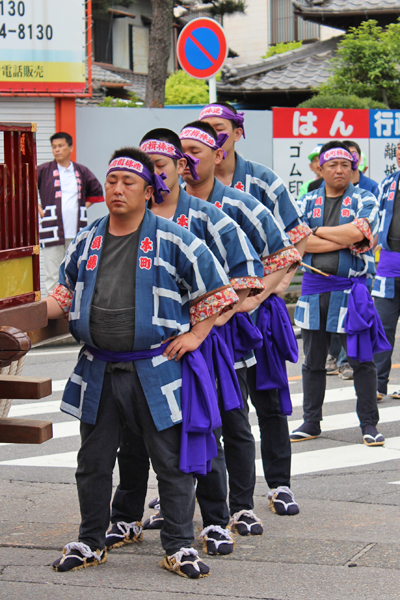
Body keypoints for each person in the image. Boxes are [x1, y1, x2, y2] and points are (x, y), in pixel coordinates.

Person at [46, 147, 240, 579]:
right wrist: (25, 316)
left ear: (149, 191)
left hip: (156, 368)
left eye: (128, 182)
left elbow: (221, 293)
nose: (117, 189)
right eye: (112, 181)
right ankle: (91, 540)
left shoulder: (173, 238)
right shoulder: (88, 237)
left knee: (170, 463)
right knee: (92, 462)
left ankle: (178, 546)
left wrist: (195, 335)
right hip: (98, 367)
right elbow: (62, 292)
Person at [106, 128, 266, 557]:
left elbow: (247, 275)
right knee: (133, 437)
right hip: (140, 352)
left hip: (196, 348)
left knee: (204, 429)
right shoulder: (130, 219)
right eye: (148, 167)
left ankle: (217, 519)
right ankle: (126, 517)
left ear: (180, 166)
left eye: (162, 165)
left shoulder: (210, 216)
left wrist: (206, 326)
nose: (154, 174)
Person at [179, 119, 303, 526]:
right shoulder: (166, 206)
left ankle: (247, 502)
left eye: (196, 150)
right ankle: (177, 502)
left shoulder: (248, 197)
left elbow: (287, 249)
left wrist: (257, 297)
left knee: (243, 413)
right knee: (186, 419)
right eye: (181, 153)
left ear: (223, 148)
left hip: (238, 325)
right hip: (185, 332)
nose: (185, 161)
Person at [291, 141, 390, 447]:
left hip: (351, 291)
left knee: (361, 359)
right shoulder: (305, 201)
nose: (339, 170)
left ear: (353, 168)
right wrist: (340, 236)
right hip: (314, 290)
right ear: (320, 168)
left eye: (345, 164)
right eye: (332, 164)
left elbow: (360, 232)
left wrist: (315, 232)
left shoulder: (365, 198)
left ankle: (369, 424)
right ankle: (310, 421)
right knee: (313, 361)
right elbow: (296, 243)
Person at [38, 132, 104, 296]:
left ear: (70, 148)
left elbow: (97, 191)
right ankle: (53, 309)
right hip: (51, 229)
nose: (57, 150)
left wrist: (82, 207)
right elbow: (24, 189)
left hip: (76, 231)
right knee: (52, 272)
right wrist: (40, 211)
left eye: (60, 146)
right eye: (54, 147)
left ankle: (73, 303)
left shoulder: (81, 171)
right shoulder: (43, 170)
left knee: (75, 268)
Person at [372, 139, 400, 400]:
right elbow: (375, 220)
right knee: (383, 326)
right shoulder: (388, 184)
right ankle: (378, 384)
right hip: (389, 264)